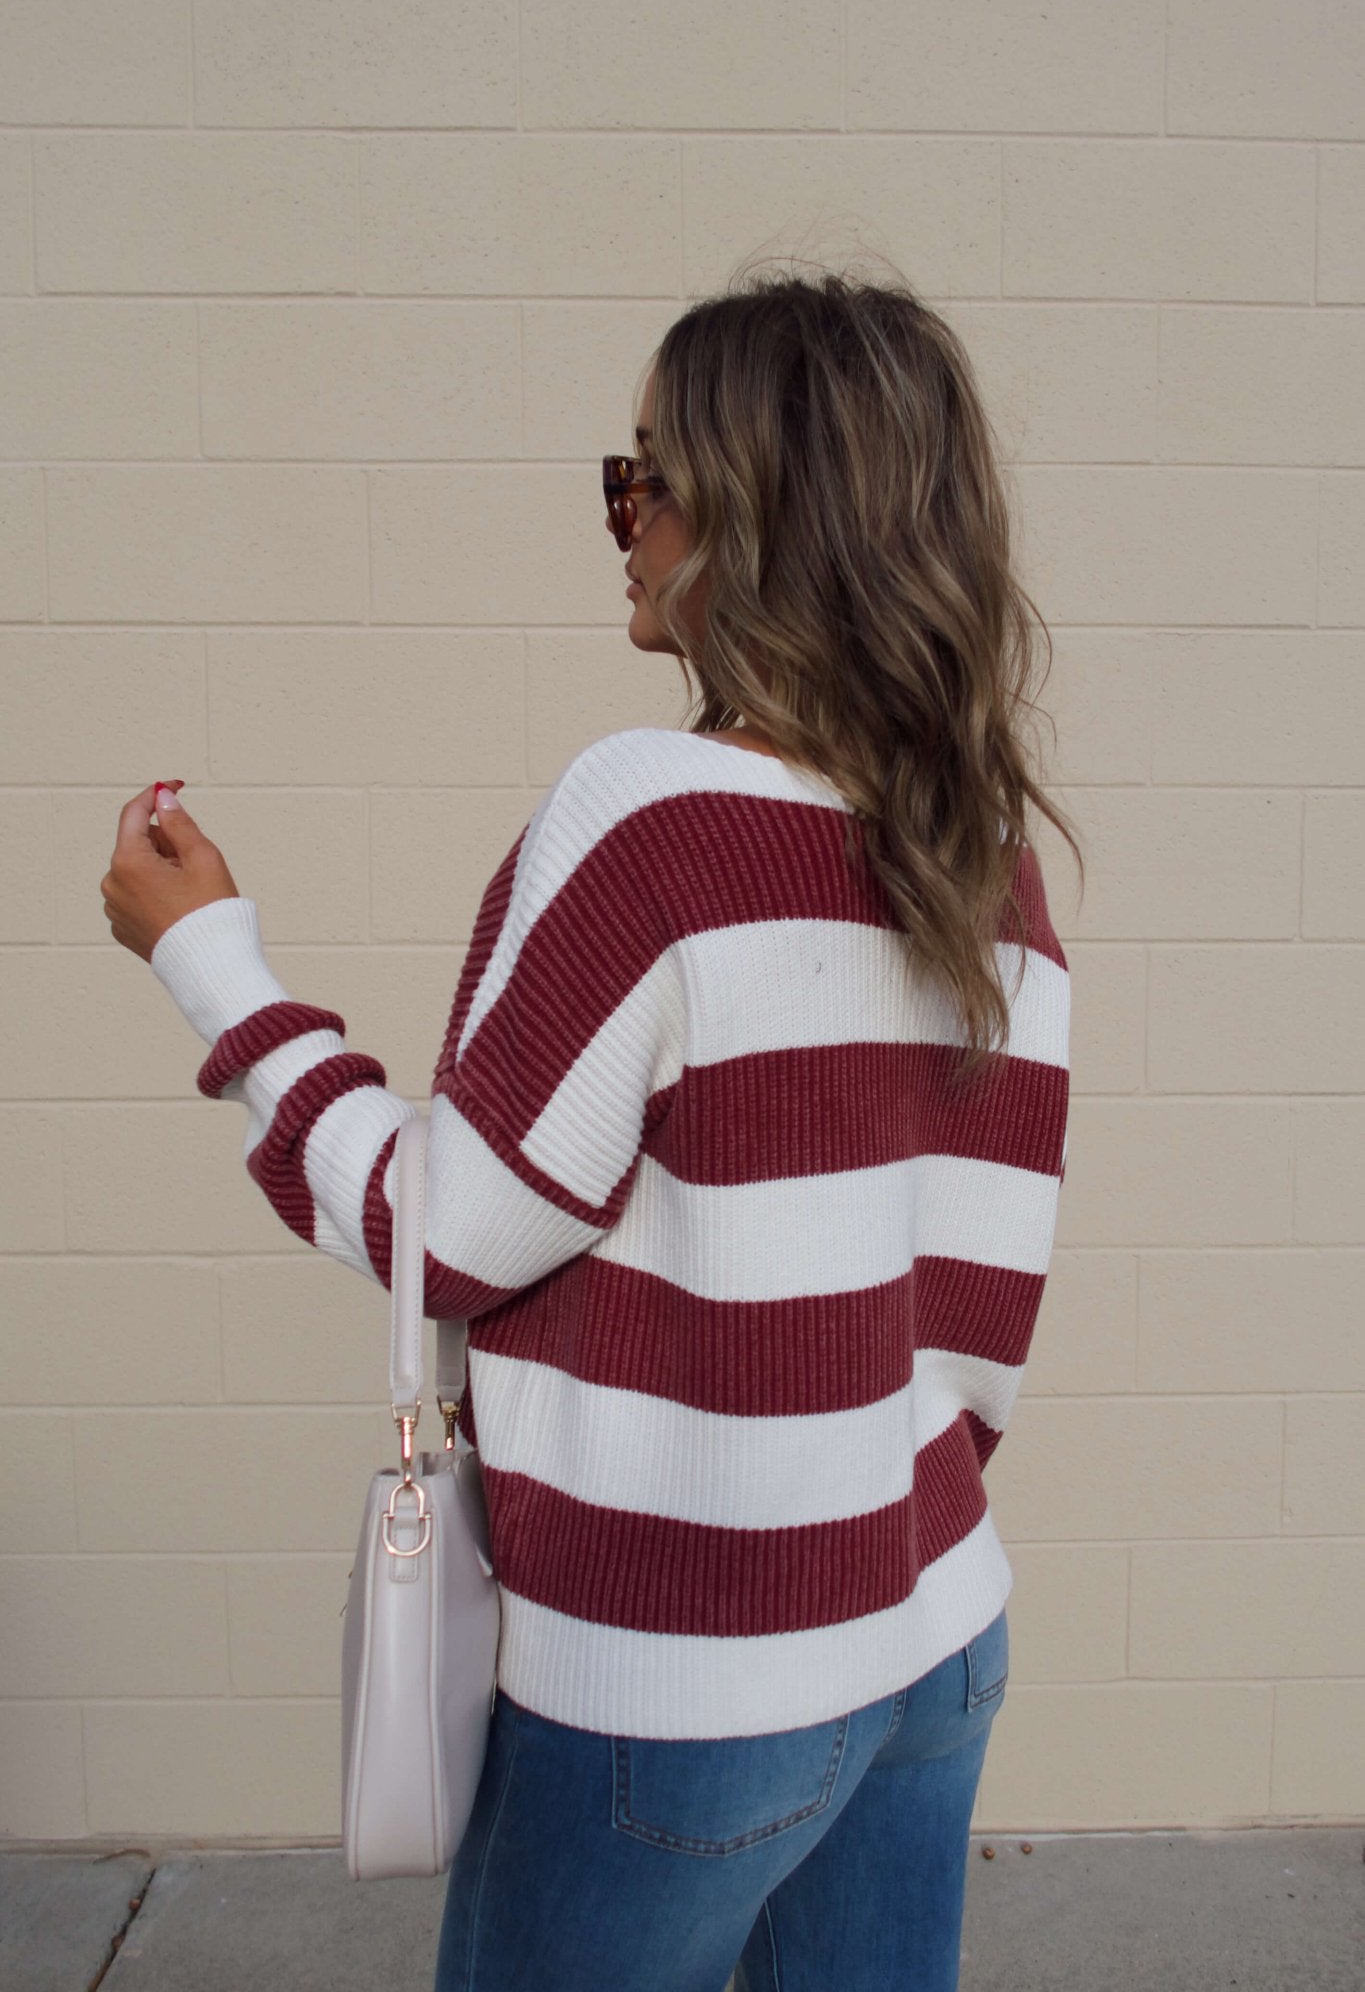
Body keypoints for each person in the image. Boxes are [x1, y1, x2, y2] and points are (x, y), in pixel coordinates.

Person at [111, 263, 1079, 1992]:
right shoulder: (985, 862)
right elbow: (981, 1328)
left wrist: (216, 972)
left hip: (677, 1694)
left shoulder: (649, 822)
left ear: (753, 521)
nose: (617, 519)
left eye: (647, 474)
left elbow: (446, 1236)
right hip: (933, 1646)